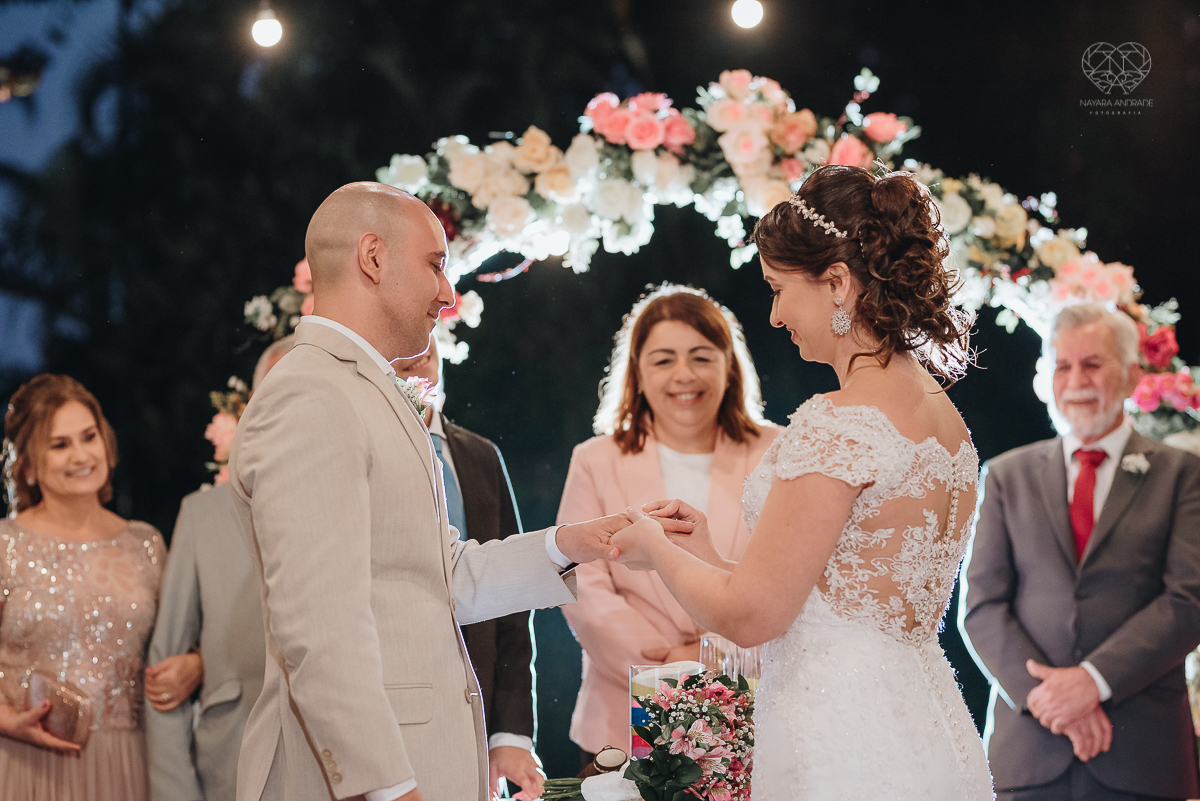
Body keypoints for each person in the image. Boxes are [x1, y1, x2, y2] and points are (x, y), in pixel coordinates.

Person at [228, 182, 635, 801]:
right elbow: (317, 626)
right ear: (372, 258)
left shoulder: (368, 390)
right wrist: (389, 789)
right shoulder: (309, 395)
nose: (448, 294)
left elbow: (440, 573)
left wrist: (570, 543)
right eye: (436, 264)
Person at [609, 165, 992, 799]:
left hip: (839, 733)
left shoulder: (839, 421)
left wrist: (656, 553)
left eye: (779, 288)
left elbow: (752, 617)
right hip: (925, 719)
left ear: (837, 282)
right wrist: (702, 552)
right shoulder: (943, 417)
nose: (777, 314)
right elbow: (830, 591)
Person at [960, 302, 1200, 801]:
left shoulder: (1184, 474)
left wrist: (1093, 682)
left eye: (1092, 364)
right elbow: (981, 607)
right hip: (1027, 753)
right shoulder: (1006, 476)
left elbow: (1189, 600)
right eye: (1062, 366)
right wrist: (1048, 700)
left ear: (1132, 375)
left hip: (1144, 755)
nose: (1076, 381)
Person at [557, 283, 780, 763]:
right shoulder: (596, 459)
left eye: (701, 356)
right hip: (619, 715)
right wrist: (662, 663)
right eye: (663, 360)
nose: (684, 375)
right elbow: (582, 581)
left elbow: (784, 577)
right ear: (637, 372)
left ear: (729, 363)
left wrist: (712, 658)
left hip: (752, 711)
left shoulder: (779, 453)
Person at [143, 335, 295, 801]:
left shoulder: (359, 506)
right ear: (252, 406)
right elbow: (161, 676)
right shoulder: (201, 514)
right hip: (229, 763)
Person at [0, 374, 166, 800]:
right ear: (29, 465)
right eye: (59, 444)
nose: (80, 455)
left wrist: (194, 666)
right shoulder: (5, 544)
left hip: (129, 765)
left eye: (88, 437)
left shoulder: (146, 544)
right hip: (22, 763)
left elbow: (184, 644)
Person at [393, 336, 544, 799]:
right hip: (395, 705)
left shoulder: (481, 456)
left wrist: (510, 733)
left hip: (475, 706)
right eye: (404, 352)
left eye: (427, 350)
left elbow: (515, 605)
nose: (419, 358)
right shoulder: (367, 452)